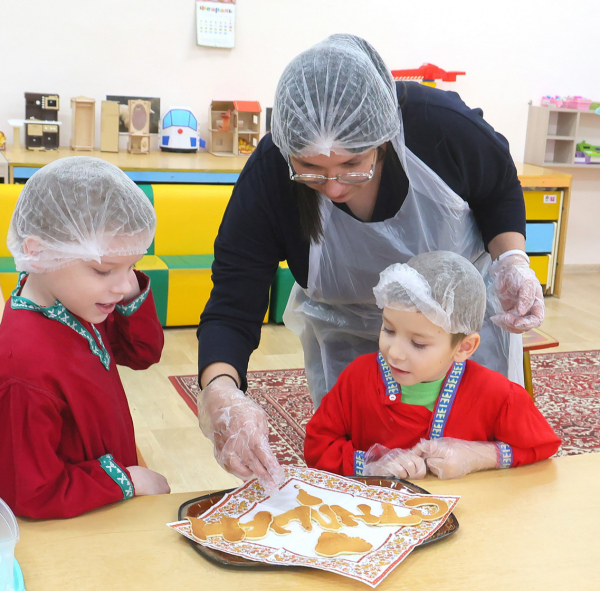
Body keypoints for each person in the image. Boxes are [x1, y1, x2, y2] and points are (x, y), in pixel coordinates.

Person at [196, 34, 545, 489]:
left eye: (353, 165)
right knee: (366, 473)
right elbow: (233, 300)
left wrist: (512, 259)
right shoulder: (269, 173)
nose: (334, 187)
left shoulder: (438, 125)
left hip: (448, 330)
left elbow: (498, 188)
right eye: (310, 170)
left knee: (472, 466)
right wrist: (221, 391)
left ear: (383, 139)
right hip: (345, 333)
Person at [0, 156, 170, 518]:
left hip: (105, 499)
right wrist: (127, 480)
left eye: (132, 266)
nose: (123, 285)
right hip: (81, 519)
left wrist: (123, 281)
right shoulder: (24, 369)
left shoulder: (75, 302)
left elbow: (143, 352)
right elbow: (32, 492)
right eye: (104, 269)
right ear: (37, 252)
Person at [304, 251, 561, 479]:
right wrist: (370, 465)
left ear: (464, 347)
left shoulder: (496, 395)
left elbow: (541, 446)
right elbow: (317, 447)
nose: (395, 353)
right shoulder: (358, 379)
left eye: (418, 344)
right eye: (388, 329)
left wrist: (478, 456)